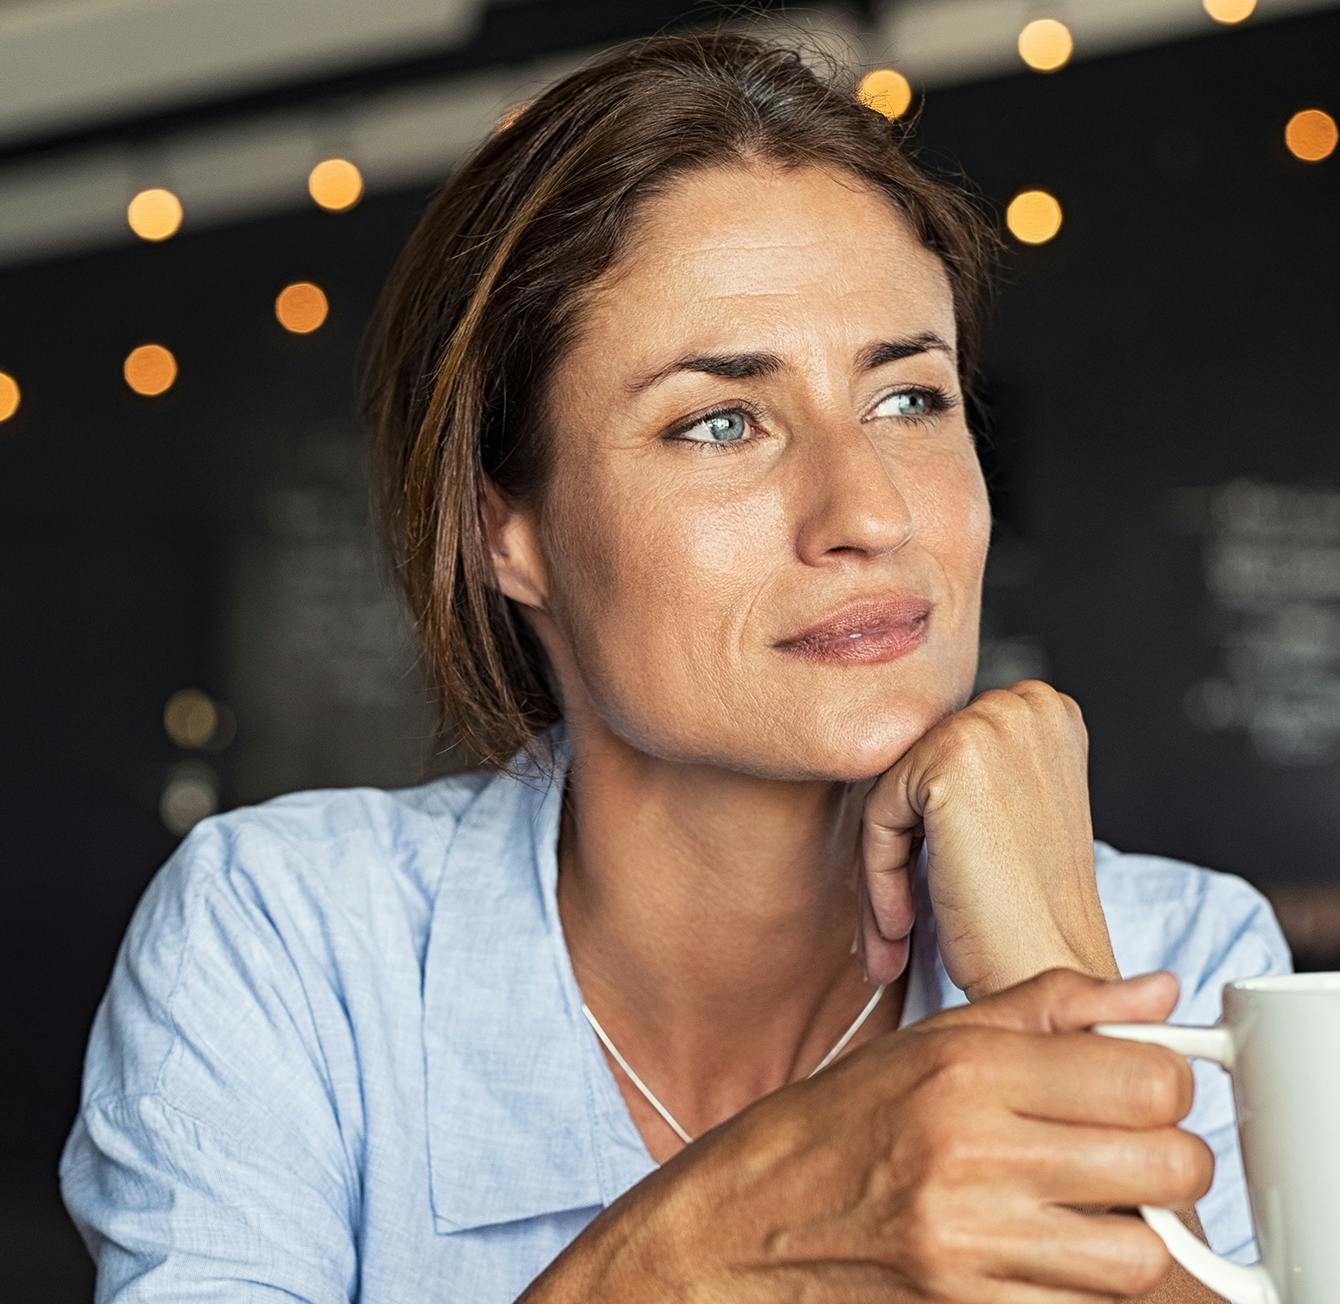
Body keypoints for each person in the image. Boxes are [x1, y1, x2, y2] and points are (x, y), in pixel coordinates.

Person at [60, 26, 1292, 1304]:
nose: (866, 510)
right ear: (505, 529)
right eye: (719, 420)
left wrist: (1050, 981)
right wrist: (711, 1245)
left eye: (909, 399)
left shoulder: (1181, 950)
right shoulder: (293, 942)